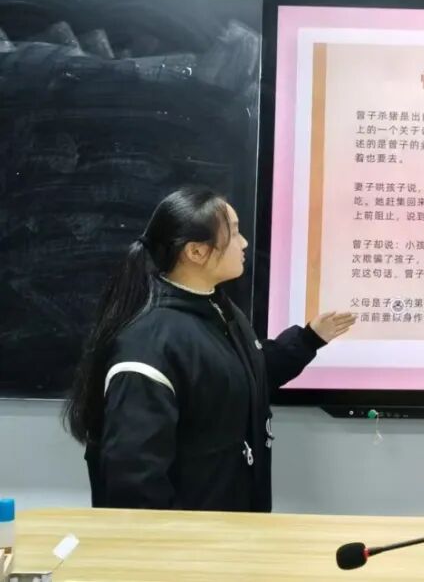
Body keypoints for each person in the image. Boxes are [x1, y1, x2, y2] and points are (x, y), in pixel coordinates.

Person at [64, 185, 355, 511]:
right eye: (234, 233)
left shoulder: (218, 308)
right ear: (197, 252)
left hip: (232, 527)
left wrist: (309, 339)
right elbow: (135, 483)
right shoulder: (150, 346)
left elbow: (245, 376)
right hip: (189, 539)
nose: (244, 243)